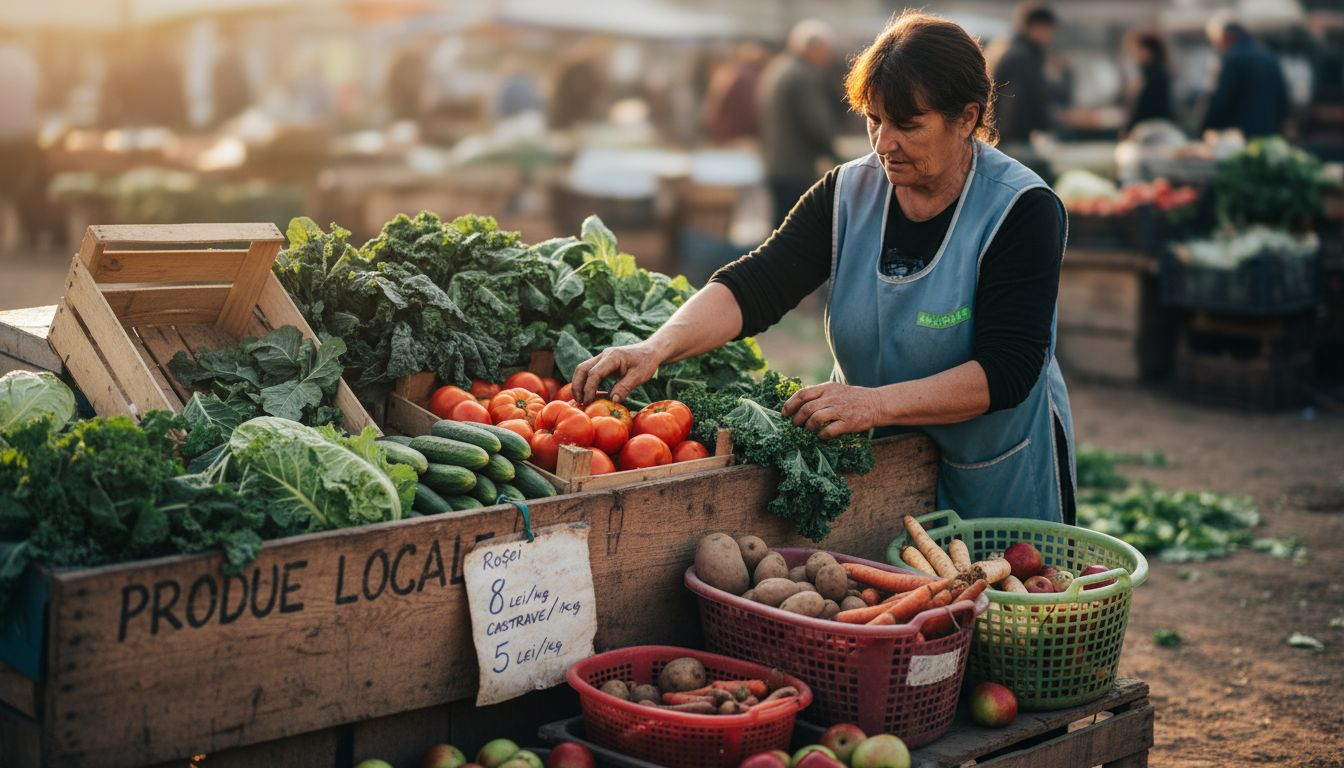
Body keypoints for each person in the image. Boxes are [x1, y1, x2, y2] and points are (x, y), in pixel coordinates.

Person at [572, 11, 1077, 524]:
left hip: (994, 479)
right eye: (874, 120)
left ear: (966, 118)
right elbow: (756, 284)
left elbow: (1007, 371)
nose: (883, 144)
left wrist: (874, 405)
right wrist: (655, 348)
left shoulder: (1020, 209)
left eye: (907, 125)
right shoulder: (846, 192)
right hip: (878, 475)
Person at [758, 20, 840, 227]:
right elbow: (814, 122)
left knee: (780, 225)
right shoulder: (803, 75)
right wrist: (833, 152)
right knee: (795, 227)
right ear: (813, 48)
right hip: (796, 166)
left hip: (776, 162)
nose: (827, 58)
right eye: (825, 51)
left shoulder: (779, 68)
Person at [1200, 17, 1291, 138]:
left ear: (1229, 37)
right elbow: (1283, 94)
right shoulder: (1268, 55)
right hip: (1270, 128)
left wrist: (1205, 126)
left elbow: (1222, 98)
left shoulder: (1233, 58)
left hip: (1242, 131)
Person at [990, 4, 1058, 146]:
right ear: (1036, 27)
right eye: (1047, 30)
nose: (1050, 36)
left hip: (1003, 136)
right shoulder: (1022, 56)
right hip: (1010, 139)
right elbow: (1016, 102)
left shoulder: (1017, 50)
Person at [702, 42, 767, 145]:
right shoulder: (751, 77)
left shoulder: (728, 75)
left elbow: (711, 113)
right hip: (741, 137)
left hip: (727, 137)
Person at [1123, 31, 1175, 136]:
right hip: (1159, 127)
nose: (1133, 55)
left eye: (1135, 50)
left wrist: (1128, 128)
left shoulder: (1151, 75)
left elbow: (1142, 106)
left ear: (1146, 51)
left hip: (1151, 130)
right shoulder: (1160, 71)